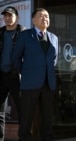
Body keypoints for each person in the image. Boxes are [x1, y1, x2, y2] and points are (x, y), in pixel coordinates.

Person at [11, 8, 58, 141]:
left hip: (48, 83)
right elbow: (15, 57)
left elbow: (53, 59)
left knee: (47, 117)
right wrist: (25, 72)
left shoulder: (54, 38)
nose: (45, 18)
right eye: (41, 16)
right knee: (26, 116)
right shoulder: (25, 35)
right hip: (30, 83)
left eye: (47, 16)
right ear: (33, 20)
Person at [0, 6, 25, 140]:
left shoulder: (24, 33)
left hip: (17, 76)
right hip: (1, 75)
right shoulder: (0, 33)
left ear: (17, 17)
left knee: (22, 110)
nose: (7, 18)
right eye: (5, 16)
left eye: (10, 15)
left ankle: (23, 137)